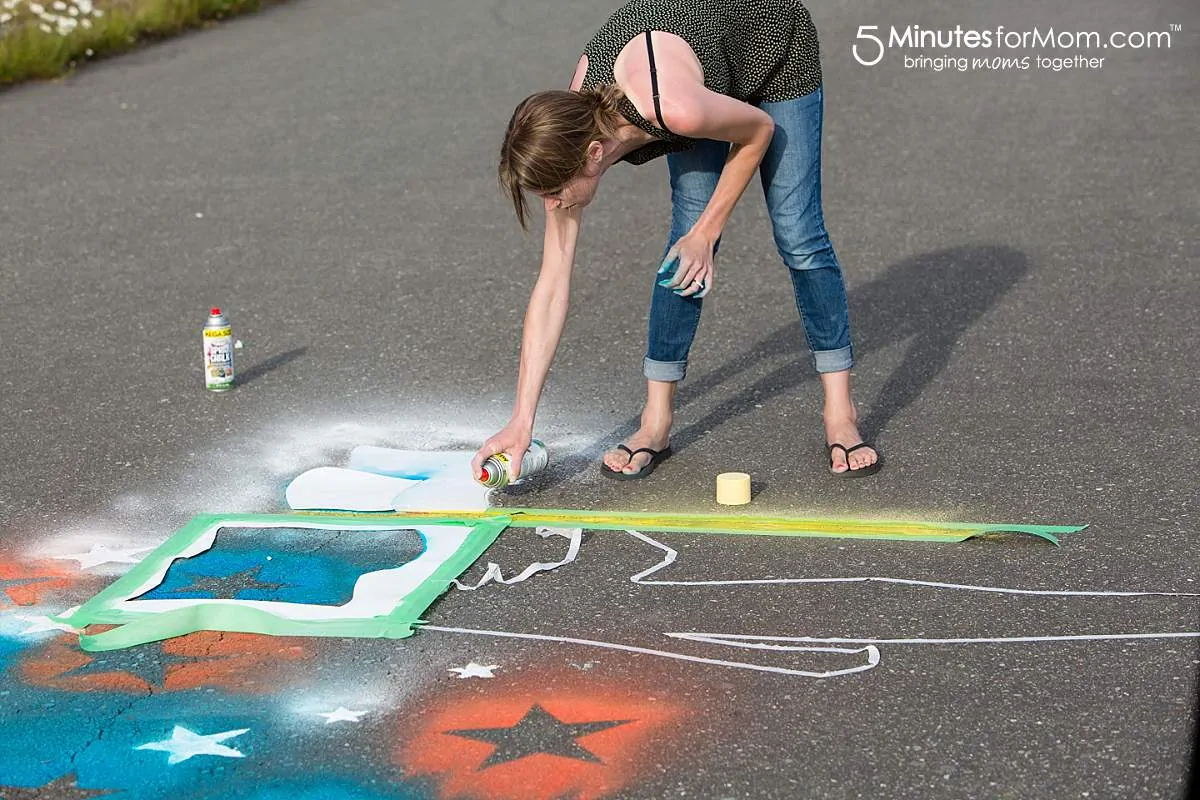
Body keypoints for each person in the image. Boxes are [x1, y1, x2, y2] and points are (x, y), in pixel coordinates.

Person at [471, 0, 881, 485]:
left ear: (594, 154)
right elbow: (553, 282)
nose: (554, 205)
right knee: (681, 241)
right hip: (699, 65)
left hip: (770, 42)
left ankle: (840, 411)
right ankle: (656, 422)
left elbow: (758, 130)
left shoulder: (673, 108)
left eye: (555, 193)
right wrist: (522, 420)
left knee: (797, 234)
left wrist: (707, 233)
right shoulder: (566, 128)